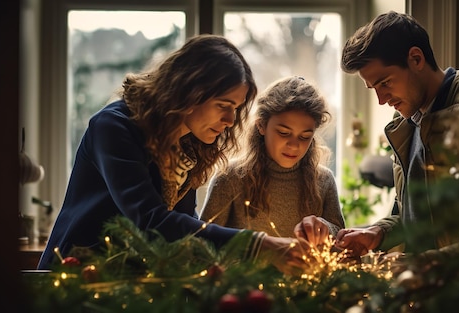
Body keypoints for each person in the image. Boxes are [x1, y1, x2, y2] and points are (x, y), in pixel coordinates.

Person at [37, 34, 310, 274]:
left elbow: (182, 226)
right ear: (189, 92)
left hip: (131, 285)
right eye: (223, 105)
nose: (230, 119)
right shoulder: (114, 127)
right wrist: (258, 244)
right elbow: (151, 220)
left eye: (236, 108)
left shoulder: (190, 146)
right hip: (76, 277)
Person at [334, 12, 459, 262]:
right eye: (374, 88)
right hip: (424, 291)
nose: (381, 100)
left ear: (416, 58)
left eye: (385, 83)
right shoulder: (403, 122)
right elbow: (416, 215)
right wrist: (379, 232)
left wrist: (421, 266)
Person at [199, 76, 345, 246]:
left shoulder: (323, 180)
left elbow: (342, 243)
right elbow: (204, 243)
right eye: (283, 133)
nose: (294, 145)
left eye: (305, 136)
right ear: (261, 126)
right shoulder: (230, 177)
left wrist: (326, 228)